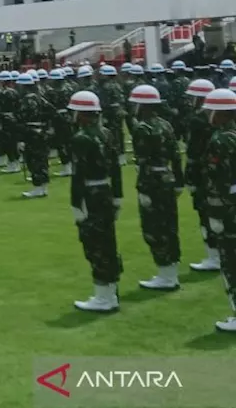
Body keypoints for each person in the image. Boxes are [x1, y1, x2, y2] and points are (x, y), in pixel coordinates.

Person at [67, 90, 124, 313]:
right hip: (107, 192)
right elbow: (117, 168)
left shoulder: (81, 138)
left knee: (95, 245)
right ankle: (110, 291)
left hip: (91, 195)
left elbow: (78, 176)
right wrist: (118, 196)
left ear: (81, 114)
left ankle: (104, 297)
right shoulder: (107, 134)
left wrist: (75, 204)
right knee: (108, 242)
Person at [125, 84, 183, 291]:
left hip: (152, 181)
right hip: (167, 178)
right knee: (169, 225)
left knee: (153, 228)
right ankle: (171, 272)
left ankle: (165, 274)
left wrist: (143, 188)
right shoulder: (166, 124)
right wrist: (179, 181)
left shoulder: (142, 128)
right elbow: (176, 156)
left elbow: (142, 161)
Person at [199, 87, 236, 332]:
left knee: (230, 260)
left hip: (228, 208)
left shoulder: (221, 139)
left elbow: (217, 182)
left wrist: (215, 215)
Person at [181, 78, 223, 272]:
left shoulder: (198, 119)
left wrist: (189, 177)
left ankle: (213, 256)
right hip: (221, 174)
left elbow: (193, 153)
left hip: (202, 174)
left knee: (206, 215)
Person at [16, 72, 52, 199]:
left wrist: (20, 139)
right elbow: (51, 112)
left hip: (31, 134)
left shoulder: (25, 100)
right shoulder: (39, 97)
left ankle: (37, 188)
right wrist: (47, 127)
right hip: (42, 132)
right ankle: (43, 188)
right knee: (42, 160)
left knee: (33, 161)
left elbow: (21, 121)